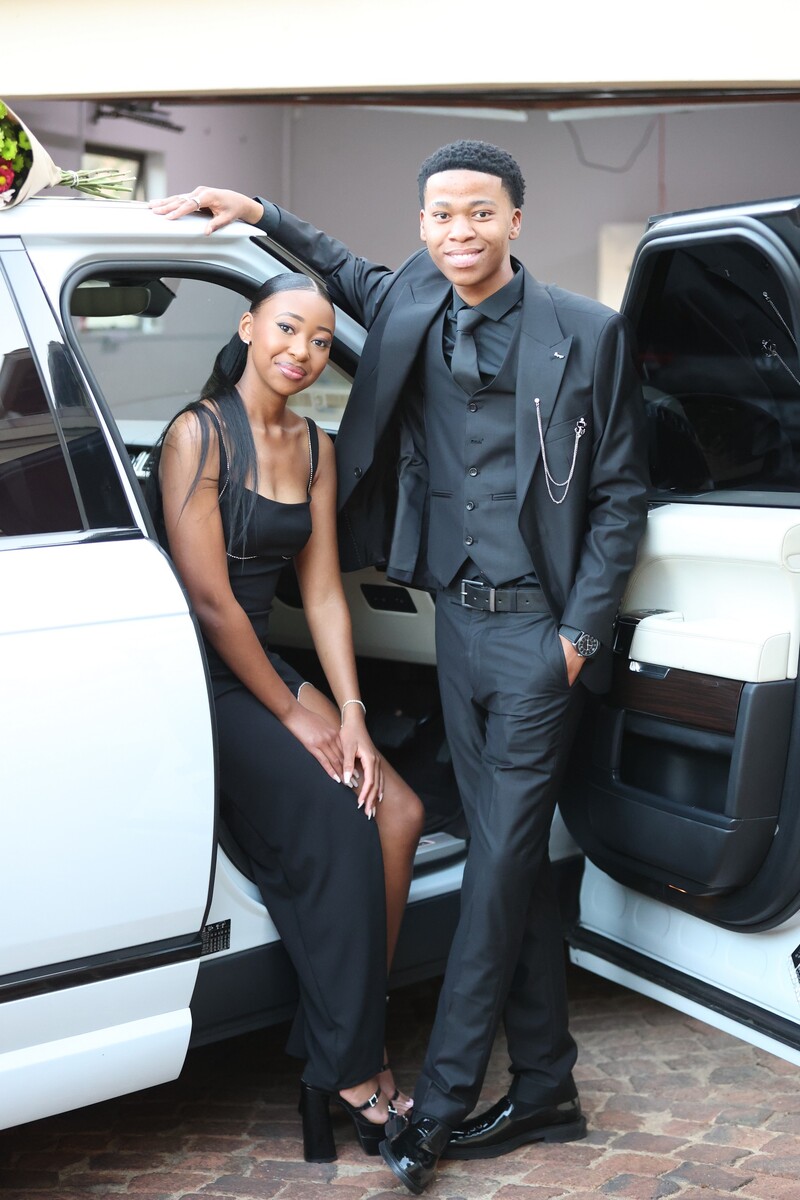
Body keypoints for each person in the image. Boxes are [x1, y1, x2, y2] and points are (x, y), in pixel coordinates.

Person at [152, 138, 649, 1194]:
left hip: (539, 637)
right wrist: (262, 211)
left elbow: (618, 494)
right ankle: (547, 1083)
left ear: (515, 220)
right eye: (440, 216)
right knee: (514, 866)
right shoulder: (412, 302)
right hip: (454, 624)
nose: (459, 231)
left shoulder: (587, 330)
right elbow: (340, 271)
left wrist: (577, 637)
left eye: (480, 213)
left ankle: (443, 1100)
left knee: (498, 867)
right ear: (423, 226)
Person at [151, 271, 424, 1164]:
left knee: (400, 809)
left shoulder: (313, 446)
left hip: (264, 668)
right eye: (287, 329)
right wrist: (296, 718)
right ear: (248, 327)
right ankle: (356, 1069)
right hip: (196, 674)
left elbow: (325, 595)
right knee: (343, 816)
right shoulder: (197, 434)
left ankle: (334, 1050)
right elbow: (211, 601)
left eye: (320, 340)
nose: (302, 352)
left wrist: (349, 713)